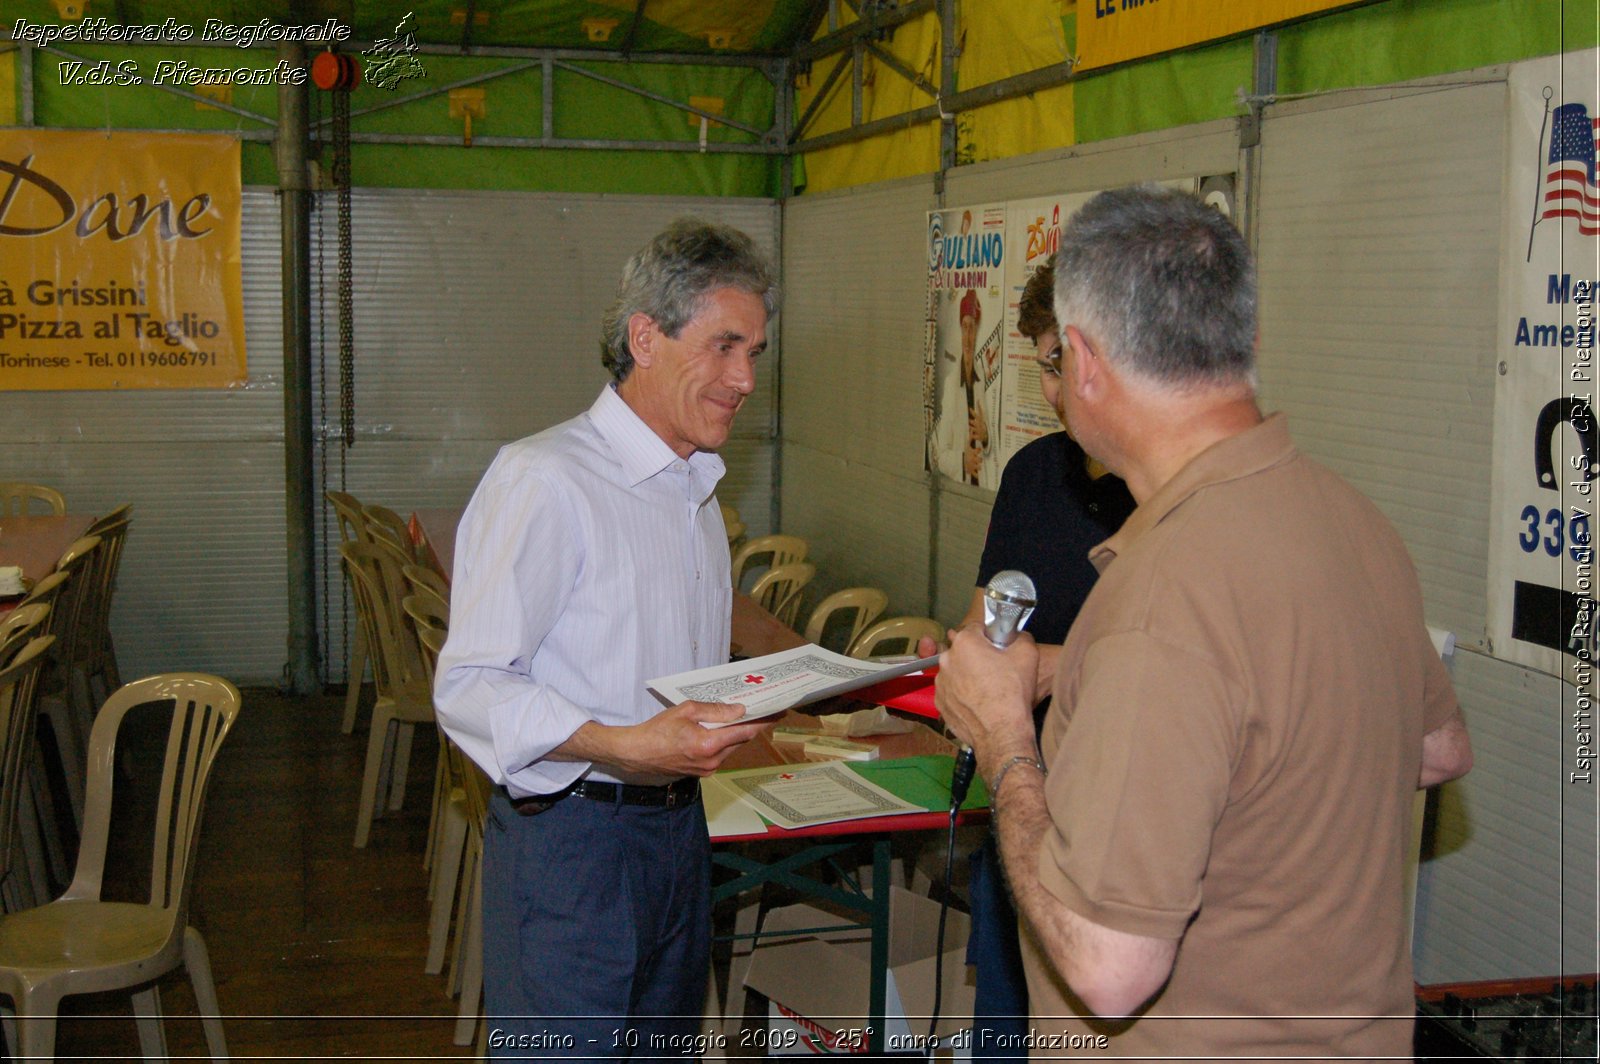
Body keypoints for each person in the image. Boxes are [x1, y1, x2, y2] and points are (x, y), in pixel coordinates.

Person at [933, 186, 1473, 1059]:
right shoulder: (1353, 523)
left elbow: (1109, 966)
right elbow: (1439, 749)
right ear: (1242, 341)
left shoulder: (1161, 599)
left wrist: (1004, 737)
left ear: (1081, 360)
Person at [434, 218, 778, 1059]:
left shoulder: (694, 489)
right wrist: (617, 744)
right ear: (645, 338)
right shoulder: (546, 478)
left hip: (679, 838)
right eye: (725, 346)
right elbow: (472, 683)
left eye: (756, 354)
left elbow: (654, 668)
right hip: (573, 848)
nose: (744, 379)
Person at [958, 262, 1134, 1057]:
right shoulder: (1033, 474)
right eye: (1041, 368)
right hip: (1018, 792)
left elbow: (1175, 667)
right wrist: (965, 665)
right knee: (1004, 1018)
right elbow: (987, 617)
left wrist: (1046, 668)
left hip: (1117, 821)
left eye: (1058, 365)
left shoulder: (1169, 494)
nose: (1054, 390)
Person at [933, 288, 991, 485]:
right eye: (964, 327)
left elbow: (989, 445)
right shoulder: (951, 384)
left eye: (972, 327)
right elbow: (940, 456)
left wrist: (985, 436)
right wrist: (962, 461)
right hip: (960, 486)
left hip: (981, 484)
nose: (968, 335)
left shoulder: (980, 379)